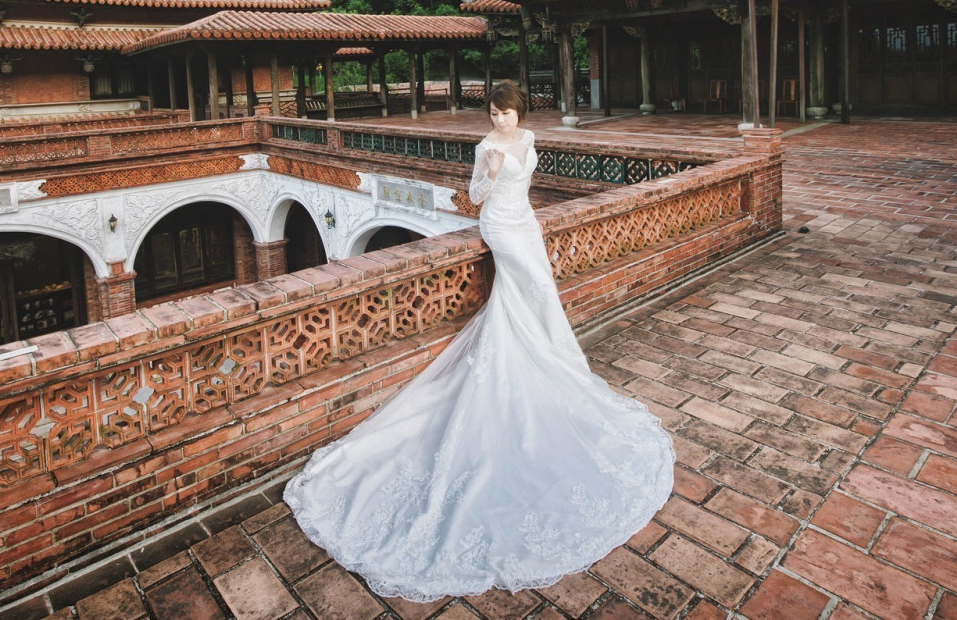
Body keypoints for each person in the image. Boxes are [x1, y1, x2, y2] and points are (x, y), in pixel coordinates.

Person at [284, 80, 675, 601]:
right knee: (529, 284)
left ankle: (543, 349)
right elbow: (474, 197)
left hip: (527, 222)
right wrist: (489, 176)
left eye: (507, 113)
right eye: (494, 113)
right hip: (499, 227)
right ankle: (530, 351)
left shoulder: (530, 137)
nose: (501, 120)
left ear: (518, 113)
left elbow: (528, 183)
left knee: (537, 289)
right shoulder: (485, 148)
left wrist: (521, 201)